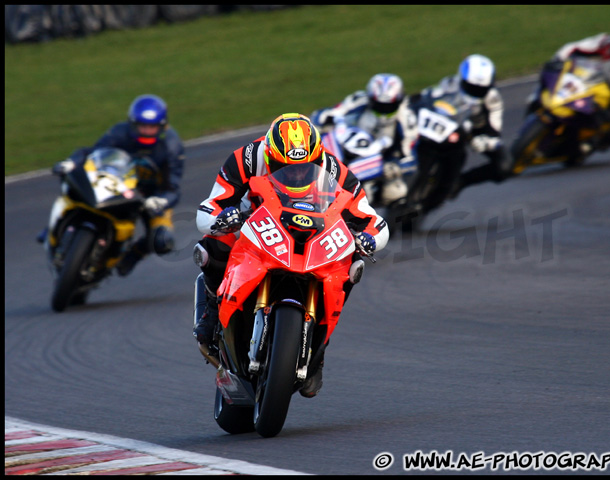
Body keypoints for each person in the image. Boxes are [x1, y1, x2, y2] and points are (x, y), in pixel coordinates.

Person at [192, 113, 389, 398]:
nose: (295, 174)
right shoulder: (246, 159)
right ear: (270, 155)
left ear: (317, 156)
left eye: (304, 167)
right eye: (286, 166)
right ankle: (212, 309)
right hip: (255, 224)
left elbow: (372, 219)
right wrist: (224, 217)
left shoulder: (335, 169)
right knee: (214, 244)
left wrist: (369, 239)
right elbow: (210, 205)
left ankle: (319, 349)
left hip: (310, 232)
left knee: (351, 264)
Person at [46, 94, 185, 275]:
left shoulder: (171, 146)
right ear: (132, 124)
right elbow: (93, 152)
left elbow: (173, 186)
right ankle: (56, 229)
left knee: (163, 240)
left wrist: (162, 201)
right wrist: (72, 162)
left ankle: (131, 256)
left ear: (162, 126)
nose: (146, 131)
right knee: (74, 192)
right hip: (116, 184)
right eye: (142, 126)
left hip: (150, 195)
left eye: (152, 127)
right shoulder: (120, 132)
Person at [529, 20, 610, 156]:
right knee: (552, 81)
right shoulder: (606, 42)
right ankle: (540, 100)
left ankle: (592, 143)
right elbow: (572, 47)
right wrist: (557, 60)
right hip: (597, 84)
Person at [312, 73, 418, 205]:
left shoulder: (407, 120)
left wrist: (395, 165)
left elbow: (410, 158)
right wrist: (319, 122)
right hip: (346, 141)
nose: (383, 112)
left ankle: (367, 213)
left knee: (397, 191)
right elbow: (331, 113)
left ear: (399, 101)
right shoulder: (358, 99)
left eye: (388, 107)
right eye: (379, 106)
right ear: (371, 99)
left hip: (378, 161)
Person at [420, 54, 514, 197]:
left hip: (475, 133)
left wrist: (486, 141)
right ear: (462, 79)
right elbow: (428, 97)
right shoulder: (450, 83)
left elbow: (495, 131)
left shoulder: (493, 99)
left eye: (480, 89)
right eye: (471, 87)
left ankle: (460, 181)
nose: (475, 92)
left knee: (504, 165)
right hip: (448, 124)